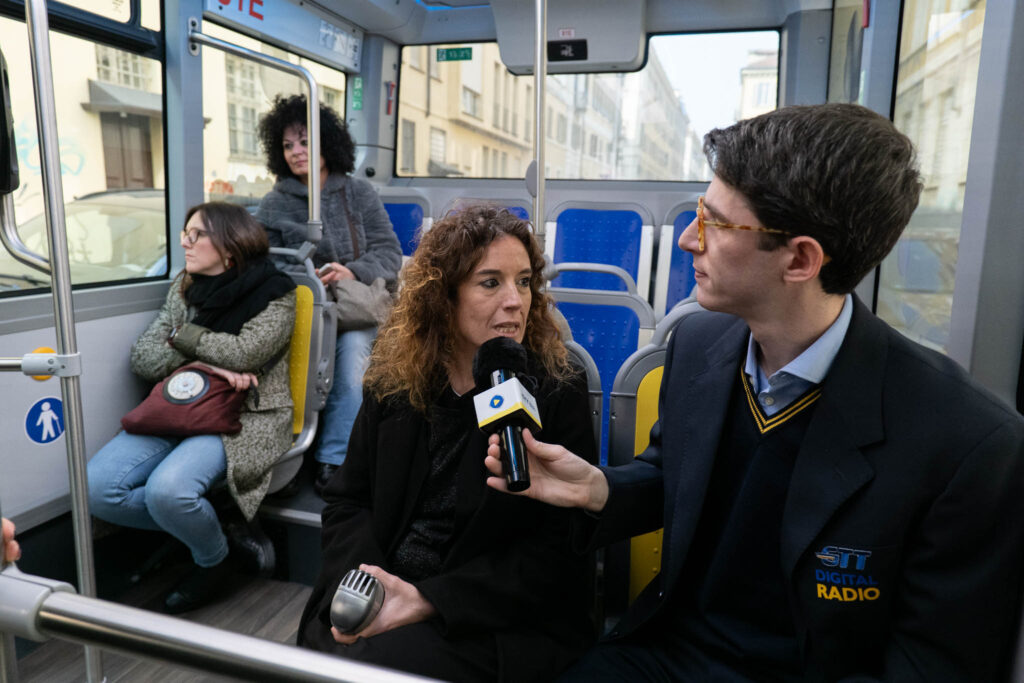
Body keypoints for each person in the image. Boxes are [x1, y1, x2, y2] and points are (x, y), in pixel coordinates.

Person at [485, 104, 1024, 681]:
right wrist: (598, 489)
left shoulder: (971, 444)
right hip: (665, 654)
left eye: (714, 223)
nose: (689, 239)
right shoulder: (697, 345)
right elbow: (677, 478)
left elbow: (930, 666)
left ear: (800, 259)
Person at [298, 206, 597, 680]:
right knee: (323, 653)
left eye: (523, 282)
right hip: (384, 581)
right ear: (443, 297)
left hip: (487, 614)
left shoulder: (557, 388)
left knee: (374, 668)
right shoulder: (397, 379)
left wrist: (427, 601)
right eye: (490, 282)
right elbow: (348, 499)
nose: (515, 301)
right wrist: (373, 586)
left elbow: (555, 553)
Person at [88, 202, 296, 614]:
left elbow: (246, 354)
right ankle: (217, 536)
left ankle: (211, 561)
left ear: (229, 245)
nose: (185, 241)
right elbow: (143, 357)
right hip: (179, 405)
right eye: (186, 232)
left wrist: (183, 336)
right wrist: (203, 361)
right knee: (99, 489)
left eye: (197, 234)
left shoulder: (276, 293)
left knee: (170, 491)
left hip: (242, 416)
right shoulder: (184, 285)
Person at [255, 94, 402, 496]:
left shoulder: (358, 194)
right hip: (302, 307)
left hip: (356, 307)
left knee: (353, 356)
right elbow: (264, 265)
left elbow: (389, 253)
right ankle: (278, 460)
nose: (296, 152)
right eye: (288, 145)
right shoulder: (273, 204)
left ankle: (334, 460)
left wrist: (351, 270)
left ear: (327, 143)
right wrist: (306, 278)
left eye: (305, 142)